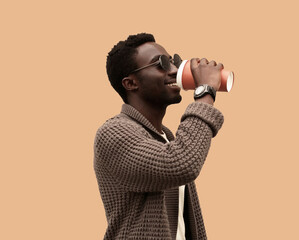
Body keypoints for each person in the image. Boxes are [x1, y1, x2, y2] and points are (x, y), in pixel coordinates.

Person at [94, 33, 225, 240]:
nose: (174, 70)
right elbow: (181, 163)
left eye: (174, 61)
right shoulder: (113, 132)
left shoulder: (167, 138)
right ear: (130, 83)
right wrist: (205, 92)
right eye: (161, 64)